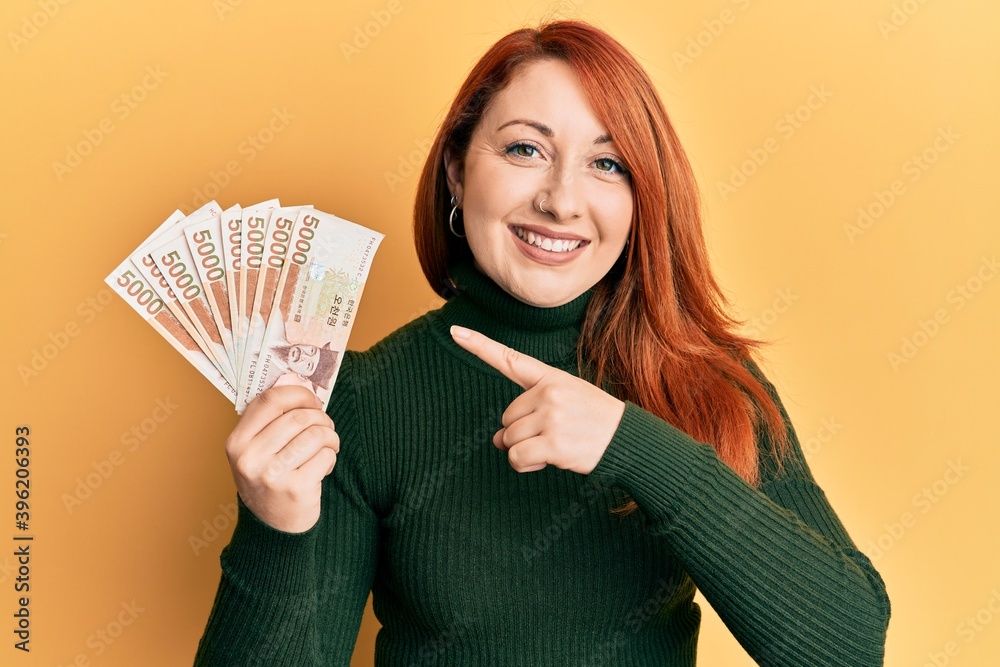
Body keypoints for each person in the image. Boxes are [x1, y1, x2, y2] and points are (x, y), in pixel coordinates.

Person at [193, 19, 891, 666]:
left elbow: (848, 648)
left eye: (607, 164)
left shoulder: (709, 381)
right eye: (526, 148)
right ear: (458, 172)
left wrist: (631, 444)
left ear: (643, 199)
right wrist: (273, 529)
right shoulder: (362, 401)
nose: (561, 199)